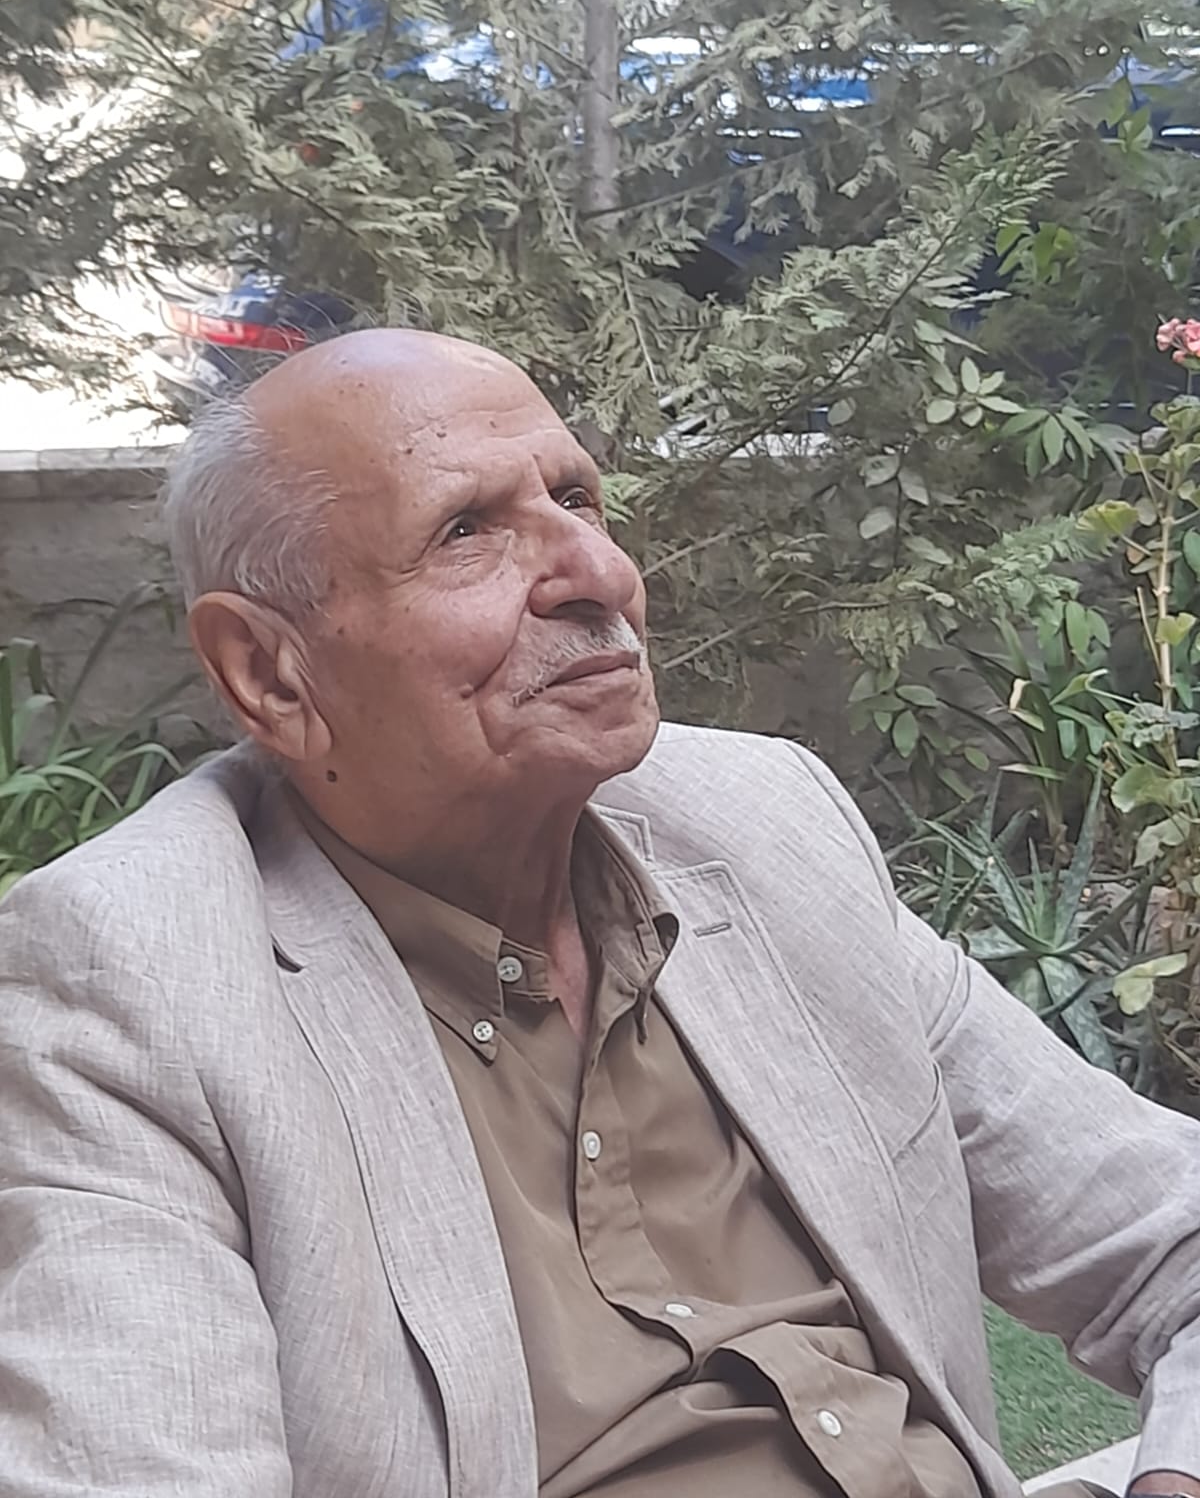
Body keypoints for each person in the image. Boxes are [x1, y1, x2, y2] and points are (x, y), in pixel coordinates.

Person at [0, 329, 1198, 1498]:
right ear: (269, 671)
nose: (601, 574)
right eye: (466, 532)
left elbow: (1173, 1234)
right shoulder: (134, 984)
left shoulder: (765, 827)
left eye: (577, 497)